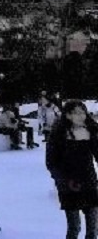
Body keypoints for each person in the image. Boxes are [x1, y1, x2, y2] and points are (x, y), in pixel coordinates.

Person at [46, 100, 98, 239]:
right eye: (76, 113)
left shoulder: (90, 132)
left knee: (93, 228)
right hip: (68, 184)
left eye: (83, 112)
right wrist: (62, 180)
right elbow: (51, 162)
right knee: (74, 226)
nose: (81, 116)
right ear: (68, 115)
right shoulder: (58, 135)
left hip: (89, 180)